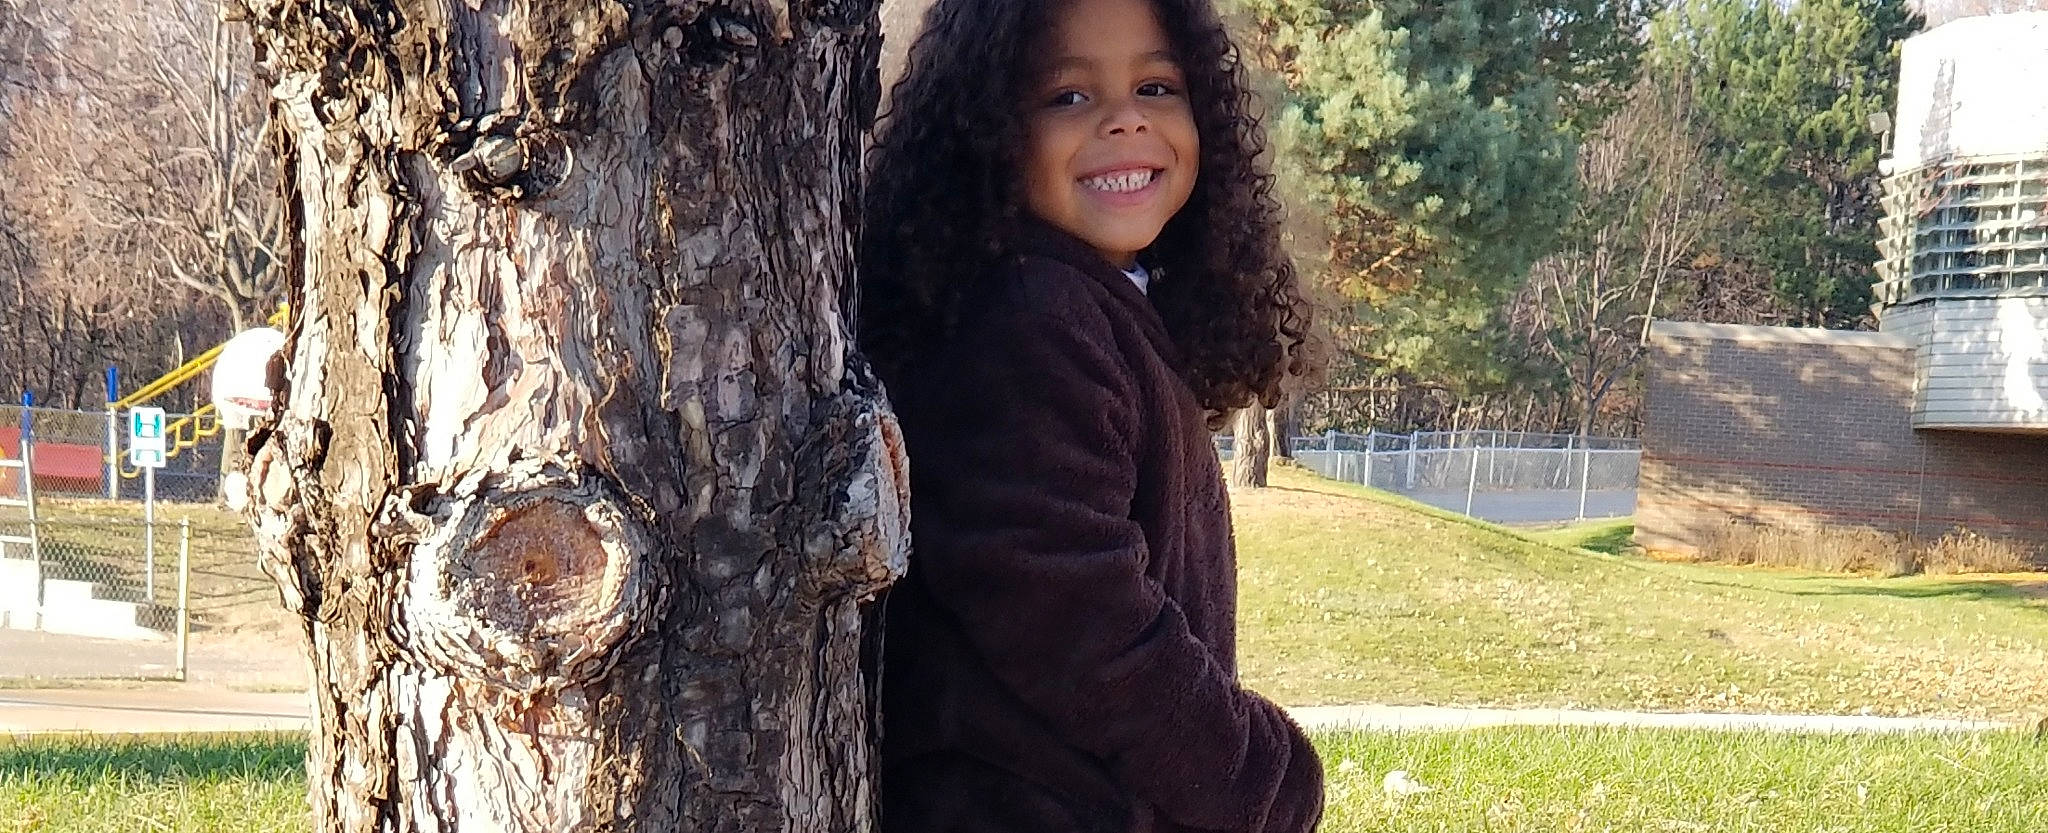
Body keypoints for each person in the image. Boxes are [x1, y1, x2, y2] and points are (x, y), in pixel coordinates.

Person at [858, 0, 1321, 830]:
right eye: (1068, 96)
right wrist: (1257, 773)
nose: (1124, 122)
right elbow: (1071, 611)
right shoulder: (1029, 316)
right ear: (988, 131)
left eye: (1156, 86)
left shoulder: (1093, 305)